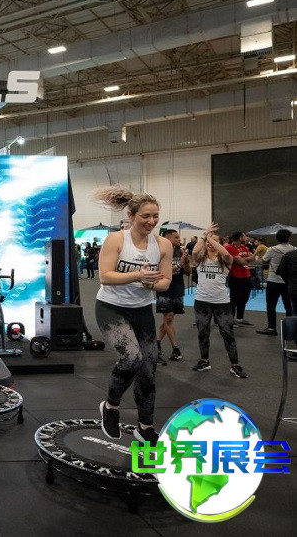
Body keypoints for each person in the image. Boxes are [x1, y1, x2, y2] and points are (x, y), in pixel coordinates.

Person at [93, 186, 173, 446]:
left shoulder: (163, 244)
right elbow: (105, 276)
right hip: (111, 308)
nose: (151, 221)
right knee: (131, 358)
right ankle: (110, 406)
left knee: (149, 368)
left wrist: (152, 284)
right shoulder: (116, 240)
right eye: (145, 216)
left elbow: (166, 282)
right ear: (130, 215)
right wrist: (139, 275)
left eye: (155, 216)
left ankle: (145, 426)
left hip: (142, 310)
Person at [190, 225, 249, 378]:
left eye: (215, 241)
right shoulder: (200, 259)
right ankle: (204, 360)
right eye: (208, 241)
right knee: (203, 332)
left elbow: (225, 252)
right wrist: (205, 235)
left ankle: (235, 365)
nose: (210, 243)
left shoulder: (225, 259)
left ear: (220, 243)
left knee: (227, 333)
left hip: (221, 302)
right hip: (202, 301)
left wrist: (210, 238)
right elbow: (195, 251)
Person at [156, 229, 190, 363]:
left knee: (168, 319)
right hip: (164, 288)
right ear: (167, 238)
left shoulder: (180, 252)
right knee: (168, 317)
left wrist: (186, 262)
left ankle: (156, 343)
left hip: (177, 288)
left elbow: (188, 272)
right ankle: (175, 348)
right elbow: (162, 273)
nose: (179, 240)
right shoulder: (160, 253)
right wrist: (179, 264)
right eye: (176, 237)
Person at [258, 229, 294, 335]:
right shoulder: (294, 249)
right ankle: (290, 329)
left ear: (277, 238)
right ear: (289, 238)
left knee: (271, 305)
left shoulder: (272, 249)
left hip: (273, 280)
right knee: (289, 306)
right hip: (288, 281)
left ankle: (272, 328)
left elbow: (264, 260)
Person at [224, 232, 254, 326]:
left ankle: (240, 318)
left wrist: (243, 258)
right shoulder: (229, 247)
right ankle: (231, 319)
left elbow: (254, 257)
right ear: (240, 238)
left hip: (247, 276)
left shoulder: (243, 247)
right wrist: (245, 258)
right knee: (234, 299)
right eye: (244, 236)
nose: (246, 237)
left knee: (244, 298)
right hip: (236, 277)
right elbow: (240, 261)